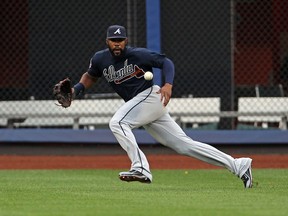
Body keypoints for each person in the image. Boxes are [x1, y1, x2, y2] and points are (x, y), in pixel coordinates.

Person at [71, 25, 253, 188]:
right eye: (113, 40)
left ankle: (140, 167)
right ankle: (238, 165)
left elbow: (166, 63)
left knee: (117, 123)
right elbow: (91, 75)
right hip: (143, 106)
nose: (117, 44)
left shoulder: (138, 54)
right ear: (107, 41)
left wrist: (168, 85)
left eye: (120, 40)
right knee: (184, 145)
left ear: (126, 41)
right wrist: (76, 90)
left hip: (150, 97)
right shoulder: (100, 59)